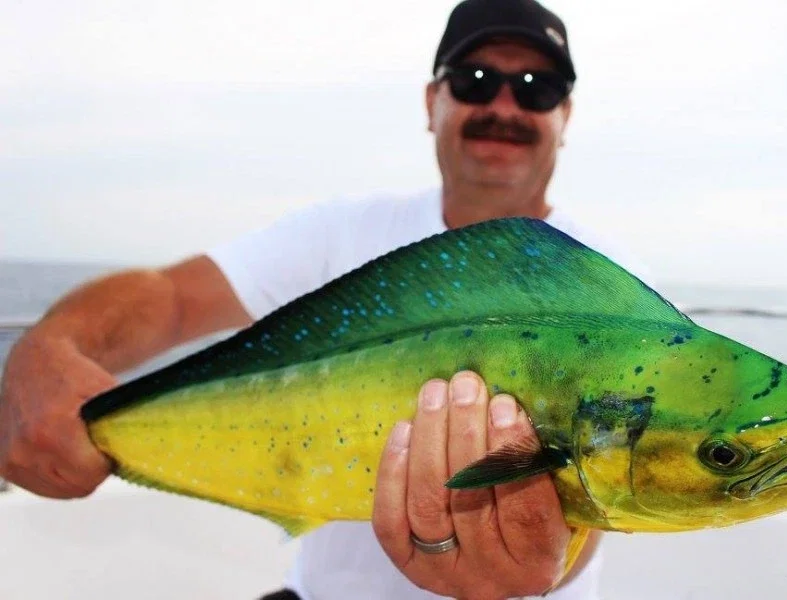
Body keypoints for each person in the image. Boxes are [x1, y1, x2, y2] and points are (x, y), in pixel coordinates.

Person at [0, 0, 654, 598]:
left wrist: (540, 558)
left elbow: (614, 483)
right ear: (432, 101)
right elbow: (171, 297)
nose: (504, 107)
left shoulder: (617, 287)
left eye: (538, 89)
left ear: (566, 116)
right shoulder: (343, 233)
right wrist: (51, 344)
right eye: (475, 81)